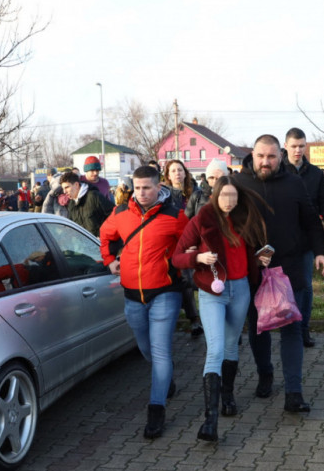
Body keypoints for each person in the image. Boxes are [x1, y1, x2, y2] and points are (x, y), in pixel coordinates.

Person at [234, 134, 324, 413]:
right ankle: (265, 373)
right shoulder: (239, 184)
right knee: (258, 327)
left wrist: (320, 251)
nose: (266, 162)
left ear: (281, 156)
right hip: (253, 268)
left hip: (289, 267)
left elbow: (311, 221)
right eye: (261, 156)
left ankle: (293, 393)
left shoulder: (294, 182)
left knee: (292, 328)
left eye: (272, 156)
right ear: (253, 155)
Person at [172, 175, 270, 442]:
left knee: (230, 346)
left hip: (240, 290)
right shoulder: (202, 219)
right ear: (215, 195)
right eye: (224, 195)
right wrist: (198, 257)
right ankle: (210, 420)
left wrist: (261, 259)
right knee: (214, 349)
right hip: (211, 291)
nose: (229, 201)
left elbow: (263, 247)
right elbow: (177, 257)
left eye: (233, 196)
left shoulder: (245, 218)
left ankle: (228, 395)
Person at [99, 165, 189, 439]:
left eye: (147, 187)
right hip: (131, 294)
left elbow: (190, 244)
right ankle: (166, 379)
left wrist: (184, 261)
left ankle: (156, 410)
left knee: (160, 352)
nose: (141, 193)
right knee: (145, 347)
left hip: (165, 291)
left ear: (158, 187)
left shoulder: (175, 215)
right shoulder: (120, 213)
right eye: (137, 188)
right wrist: (108, 260)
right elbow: (104, 235)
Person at [282, 127, 324, 348]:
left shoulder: (316, 174)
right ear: (286, 146)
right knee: (281, 284)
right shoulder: (278, 169)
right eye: (294, 146)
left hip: (306, 238)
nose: (298, 150)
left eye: (302, 146)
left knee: (306, 286)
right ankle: (285, 326)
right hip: (280, 237)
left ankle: (303, 328)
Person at [163, 159, 203, 337]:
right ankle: (194, 319)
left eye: (180, 170)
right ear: (168, 175)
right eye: (173, 171)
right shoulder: (164, 195)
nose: (177, 173)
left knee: (200, 280)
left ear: (185, 173)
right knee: (185, 281)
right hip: (176, 243)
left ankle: (208, 317)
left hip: (196, 241)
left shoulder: (196, 192)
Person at [59, 171, 114, 237]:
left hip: (101, 243)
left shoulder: (93, 196)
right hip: (84, 245)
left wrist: (104, 235)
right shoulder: (71, 204)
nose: (64, 191)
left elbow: (114, 214)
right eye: (63, 188)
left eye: (67, 187)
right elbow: (72, 229)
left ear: (76, 185)